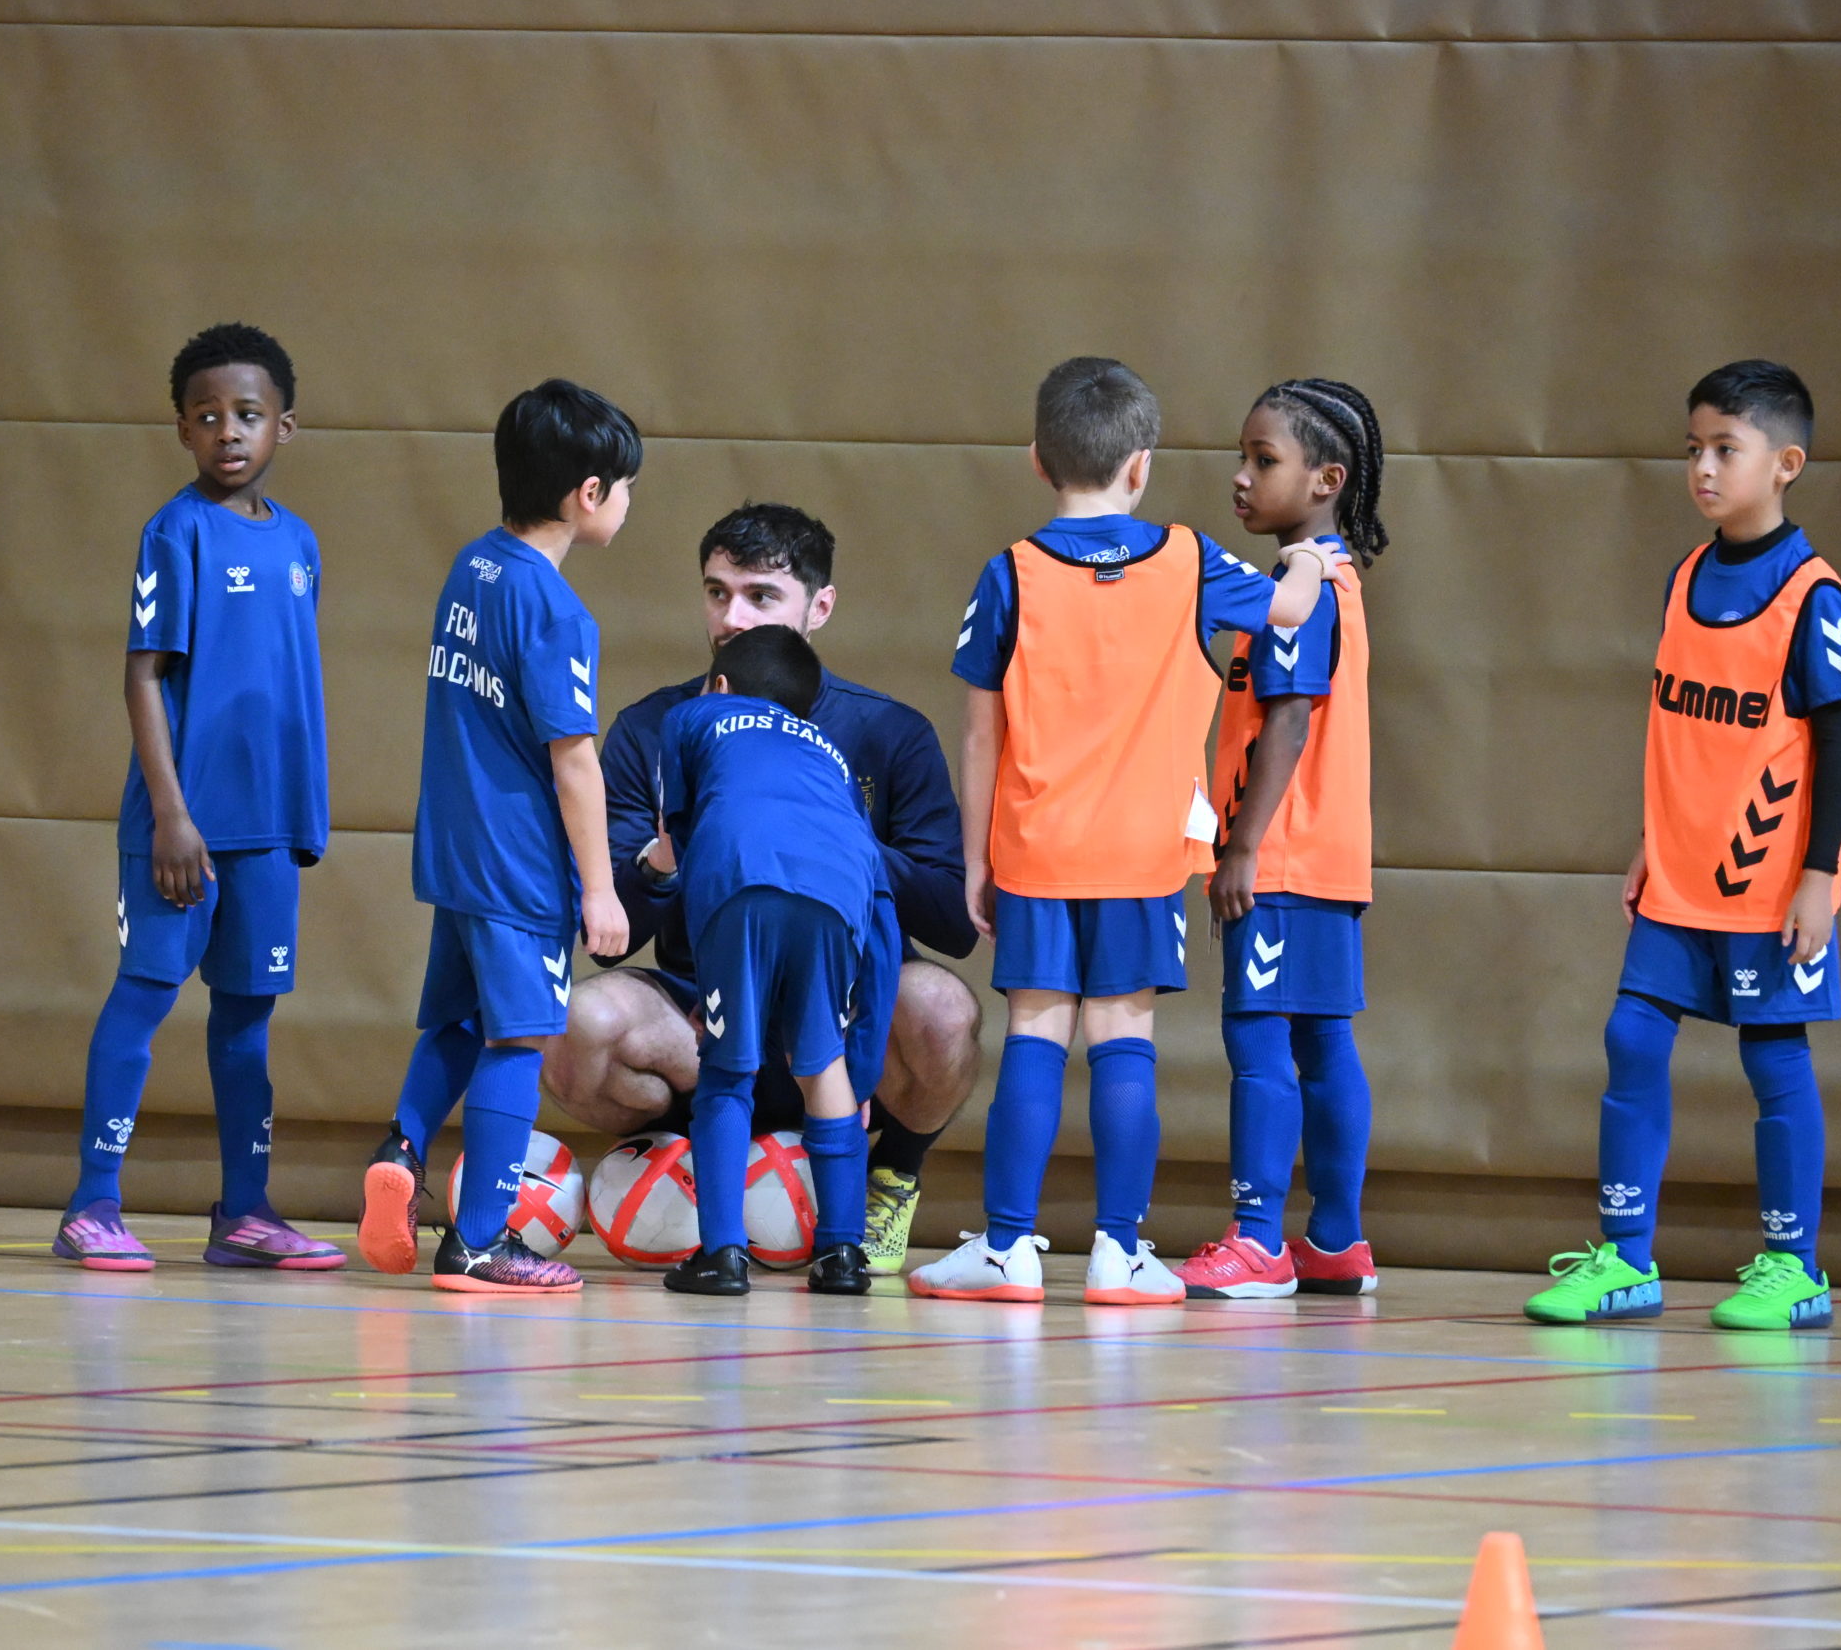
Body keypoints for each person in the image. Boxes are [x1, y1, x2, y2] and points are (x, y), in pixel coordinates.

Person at [909, 357, 1347, 1305]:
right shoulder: (1191, 559)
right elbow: (1292, 606)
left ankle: (1007, 1248)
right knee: (1124, 1037)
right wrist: (1313, 554)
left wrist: (976, 858)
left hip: (1035, 846)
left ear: (1038, 459)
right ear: (1141, 464)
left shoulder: (1009, 572)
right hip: (1144, 854)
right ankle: (1119, 1250)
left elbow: (980, 735)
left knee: (1034, 1032)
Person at [548, 503, 981, 1275]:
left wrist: (835, 844)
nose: (733, 617)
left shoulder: (887, 731)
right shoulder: (659, 725)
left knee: (944, 1010)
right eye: (717, 592)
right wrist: (668, 855)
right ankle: (688, 1171)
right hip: (703, 1000)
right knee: (580, 1025)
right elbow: (610, 928)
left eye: (761, 596)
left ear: (821, 606)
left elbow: (952, 920)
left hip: (837, 992)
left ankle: (888, 1180)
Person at [1525, 360, 1841, 1332]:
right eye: (1692, 449)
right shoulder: (1684, 577)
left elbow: (1837, 743)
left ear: (1785, 463)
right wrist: (1649, 840)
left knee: (1773, 1058)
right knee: (1630, 1037)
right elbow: (1682, 733)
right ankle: (1624, 1259)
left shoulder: (1811, 595)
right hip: (1676, 877)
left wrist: (1818, 875)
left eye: (1725, 449)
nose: (1703, 468)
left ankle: (1793, 1267)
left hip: (1768, 887)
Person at [53, 323, 342, 1273]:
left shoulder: (299, 542)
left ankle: (244, 1212)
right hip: (183, 827)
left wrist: (300, 817)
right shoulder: (173, 532)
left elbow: (287, 686)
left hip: (267, 830)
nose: (228, 431)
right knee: (143, 995)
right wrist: (173, 816)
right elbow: (143, 676)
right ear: (182, 429)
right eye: (207, 416)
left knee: (247, 1020)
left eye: (247, 415)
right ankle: (93, 1204)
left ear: (284, 427)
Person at [356, 378, 640, 1295]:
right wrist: (600, 888)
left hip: (453, 850)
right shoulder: (556, 611)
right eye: (624, 486)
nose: (627, 502)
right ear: (587, 493)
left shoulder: (470, 567)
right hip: (518, 865)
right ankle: (478, 1241)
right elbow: (575, 763)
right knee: (520, 1039)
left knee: (458, 1018)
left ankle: (401, 1146)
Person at [1176, 380, 1389, 1301]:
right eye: (1243, 456)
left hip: (1286, 859)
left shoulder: (1303, 594)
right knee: (1323, 1040)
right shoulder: (1327, 580)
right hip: (1327, 859)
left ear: (1326, 479)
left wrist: (1245, 848)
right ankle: (1336, 1239)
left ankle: (1259, 1238)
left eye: (1263, 460)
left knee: (1258, 1037)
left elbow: (1291, 722)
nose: (1241, 475)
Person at [651, 626, 900, 1297]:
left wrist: (709, 983)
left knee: (727, 1068)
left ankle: (723, 1254)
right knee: (823, 1066)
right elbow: (880, 905)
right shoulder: (832, 755)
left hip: (741, 875)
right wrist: (864, 1067)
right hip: (840, 894)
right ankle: (843, 1254)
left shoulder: (693, 717)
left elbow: (684, 831)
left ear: (719, 685)